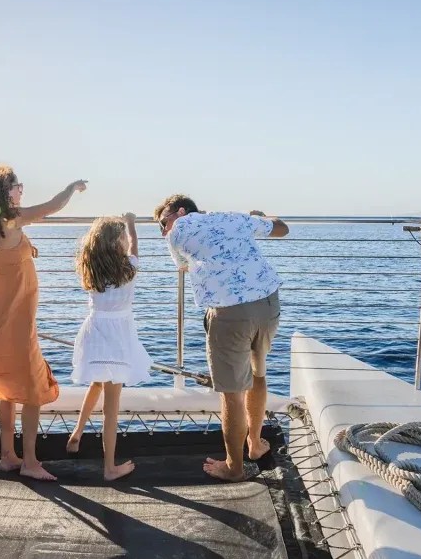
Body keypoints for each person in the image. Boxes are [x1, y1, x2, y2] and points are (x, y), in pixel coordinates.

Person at [0, 164, 87, 481]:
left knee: (7, 382)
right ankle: (29, 462)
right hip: (14, 312)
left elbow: (7, 256)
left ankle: (7, 455)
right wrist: (72, 187)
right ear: (3, 192)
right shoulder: (10, 219)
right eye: (16, 185)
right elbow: (50, 208)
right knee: (29, 386)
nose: (21, 188)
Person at [154, 194, 289, 482]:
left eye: (163, 222)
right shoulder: (232, 217)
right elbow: (281, 228)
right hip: (268, 303)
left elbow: (182, 265)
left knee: (232, 393)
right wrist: (259, 218)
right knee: (258, 373)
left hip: (230, 313)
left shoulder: (177, 232)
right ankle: (254, 443)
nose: (163, 230)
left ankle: (234, 468)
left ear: (180, 212)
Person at [67, 213, 151, 481]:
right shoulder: (129, 268)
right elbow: (134, 246)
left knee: (96, 384)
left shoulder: (90, 267)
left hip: (95, 332)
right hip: (118, 338)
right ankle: (109, 468)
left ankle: (76, 434)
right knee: (111, 408)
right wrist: (132, 224)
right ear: (119, 243)